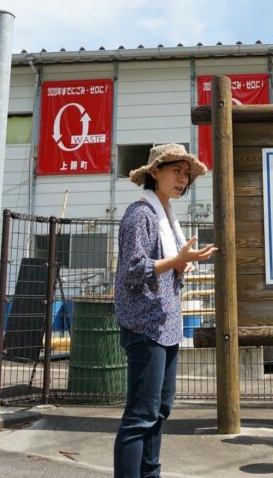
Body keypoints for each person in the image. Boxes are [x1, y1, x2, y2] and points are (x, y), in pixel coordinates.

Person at [113, 143, 217, 478]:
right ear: (154, 171)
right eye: (176, 170)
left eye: (187, 174)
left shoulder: (166, 215)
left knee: (160, 410)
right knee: (141, 415)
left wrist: (181, 261)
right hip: (145, 326)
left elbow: (168, 267)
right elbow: (131, 271)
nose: (183, 178)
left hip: (167, 325)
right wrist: (180, 260)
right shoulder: (140, 214)